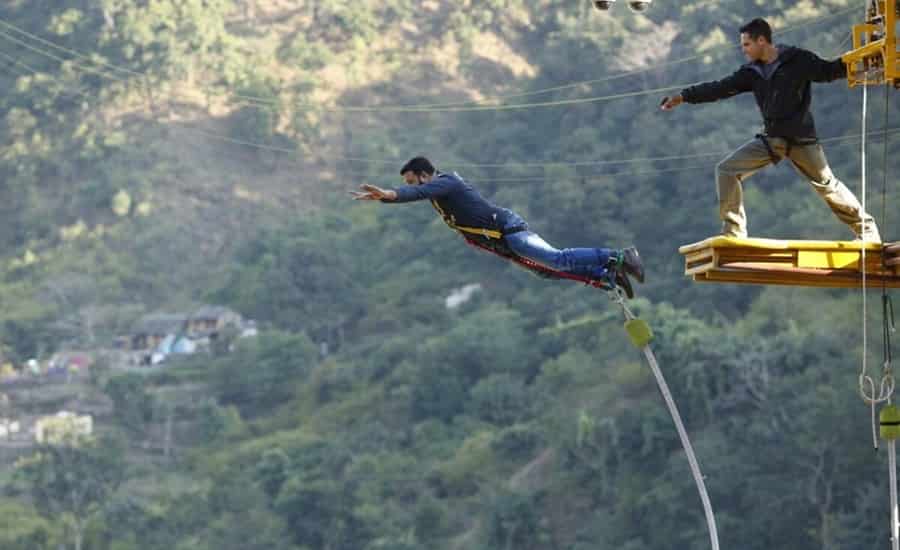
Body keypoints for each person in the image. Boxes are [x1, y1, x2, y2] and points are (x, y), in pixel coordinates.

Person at [660, 17, 881, 242]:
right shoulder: (751, 72)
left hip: (801, 139)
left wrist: (863, 57)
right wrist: (684, 96)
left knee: (828, 186)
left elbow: (828, 71)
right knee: (726, 170)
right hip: (773, 140)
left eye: (747, 44)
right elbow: (720, 88)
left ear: (762, 41)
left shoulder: (798, 60)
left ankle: (868, 232)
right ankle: (734, 231)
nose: (744, 50)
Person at [351, 156, 645, 297]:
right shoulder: (437, 191)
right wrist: (385, 199)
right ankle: (606, 274)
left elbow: (418, 193)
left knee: (557, 259)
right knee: (546, 271)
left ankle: (620, 256)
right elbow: (419, 194)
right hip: (503, 241)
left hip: (509, 231)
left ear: (425, 175)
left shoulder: (446, 182)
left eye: (412, 180)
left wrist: (390, 195)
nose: (411, 186)